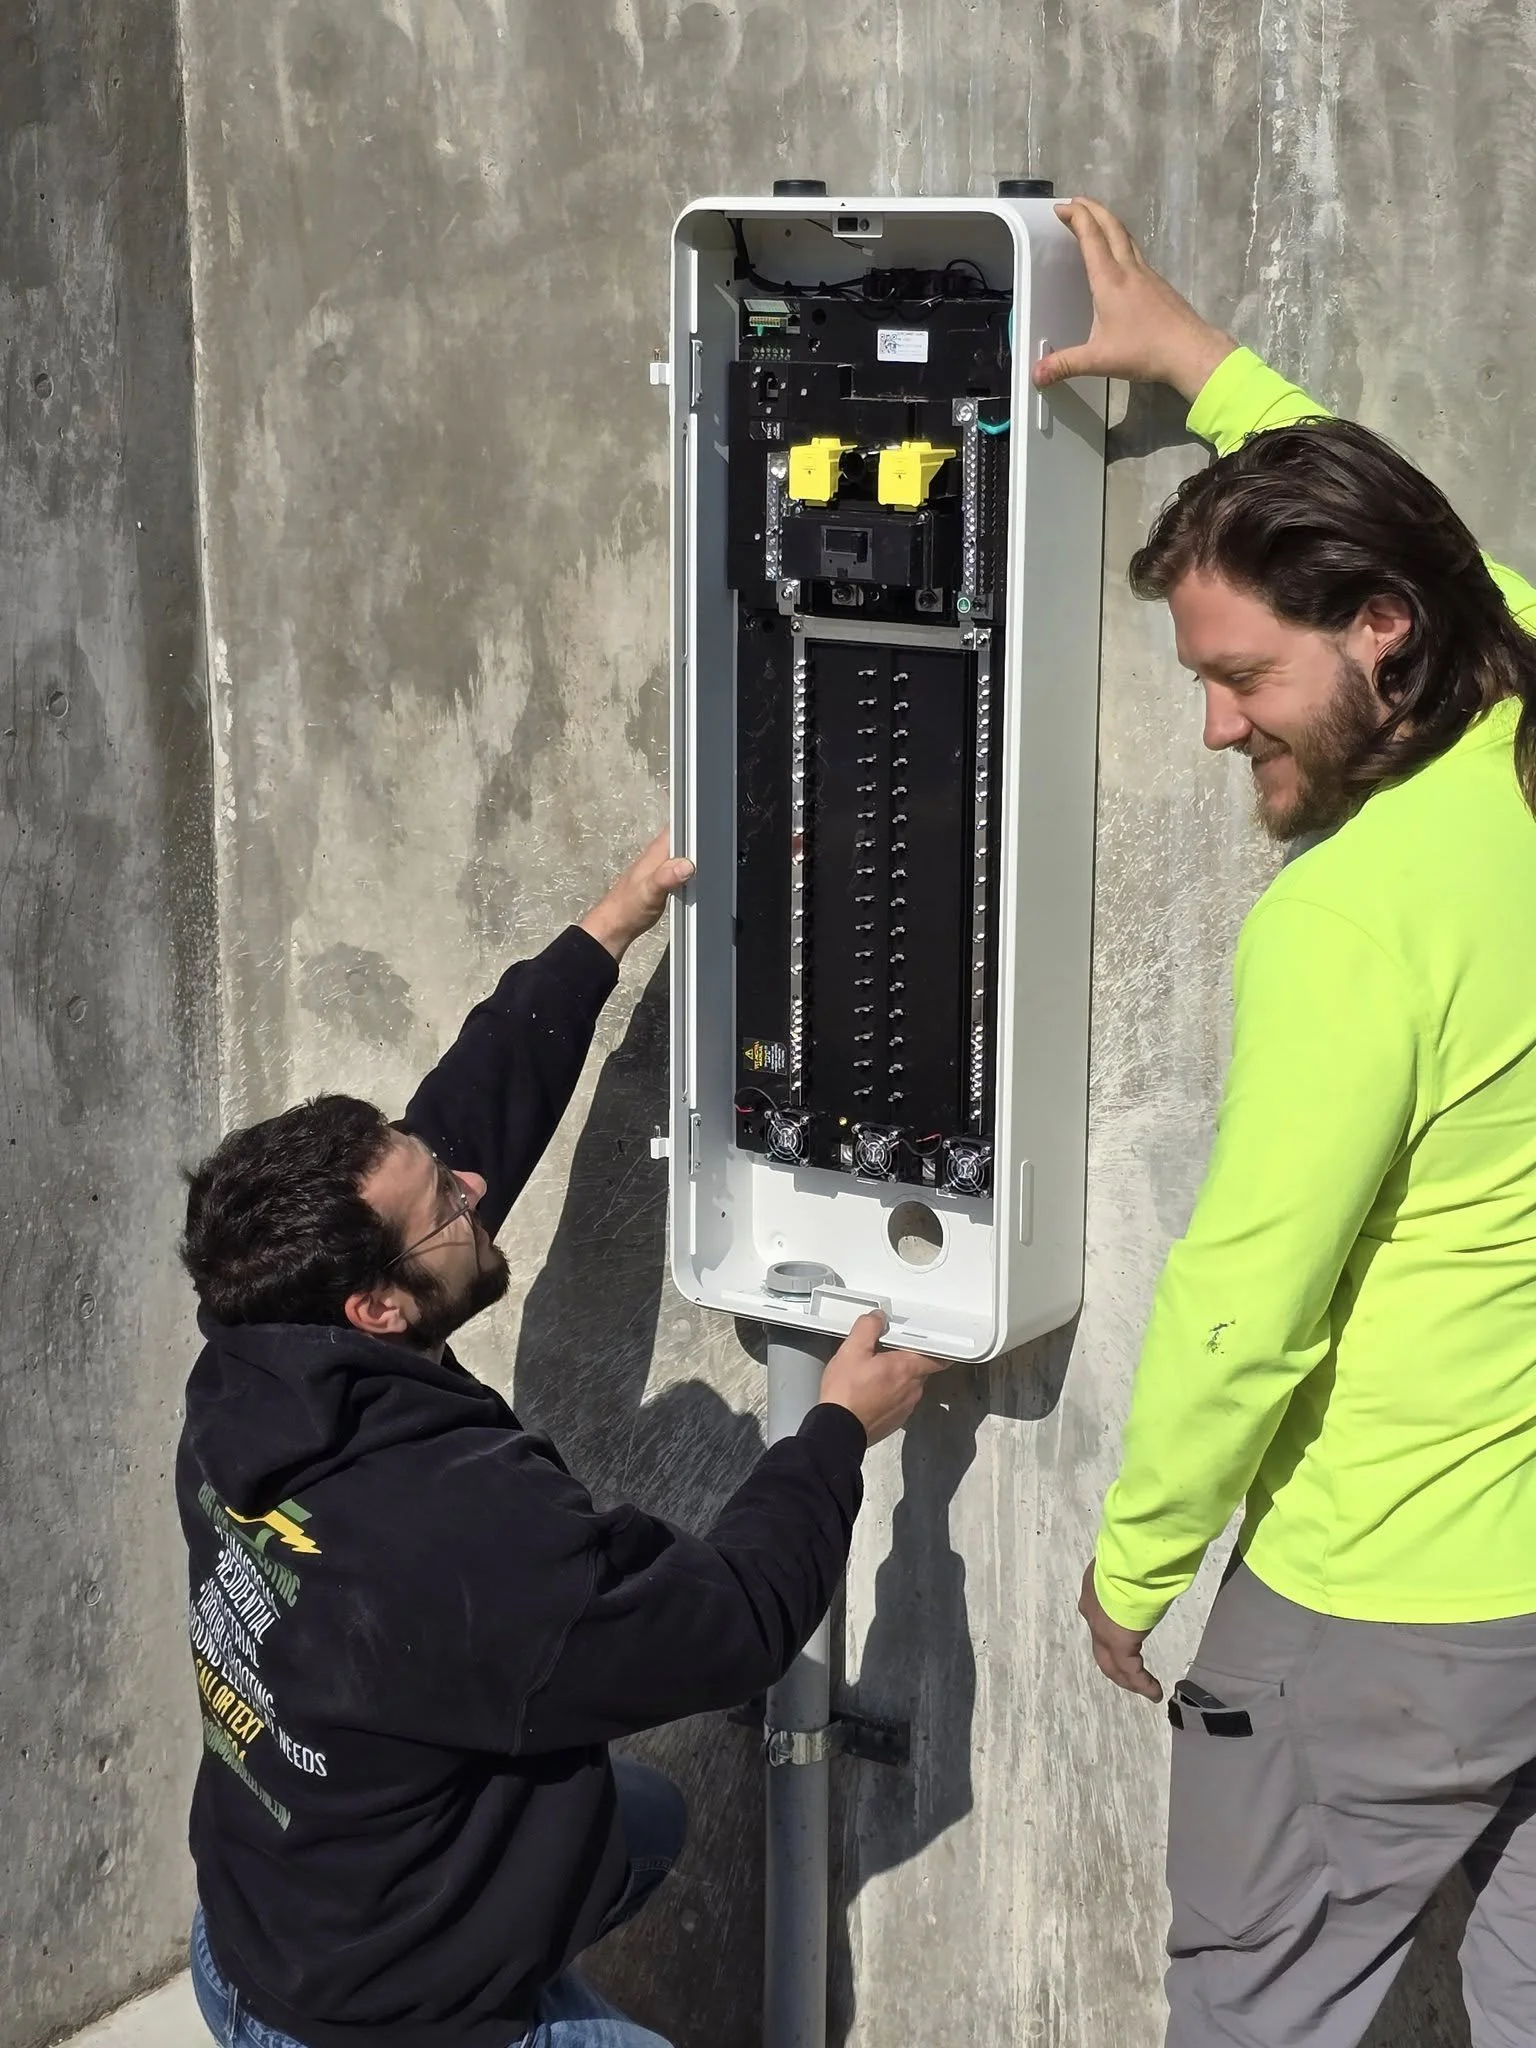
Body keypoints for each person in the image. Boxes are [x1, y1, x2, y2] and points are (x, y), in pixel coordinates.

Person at [175, 831, 944, 2048]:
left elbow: (456, 1129)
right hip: (370, 2017)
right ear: (375, 1307)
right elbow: (735, 1621)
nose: (473, 1189)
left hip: (266, 1922)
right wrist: (839, 1427)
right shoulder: (465, 1542)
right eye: (449, 1207)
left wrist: (611, 924)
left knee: (635, 1821)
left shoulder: (252, 1364)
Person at [1038, 197, 1536, 2048]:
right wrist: (1206, 373)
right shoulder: (1522, 698)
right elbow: (1455, 559)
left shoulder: (1349, 916)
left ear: (1379, 636)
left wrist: (1140, 1557)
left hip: (1382, 1601)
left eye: (1240, 676)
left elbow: (1252, 1293)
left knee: (1256, 2003)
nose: (1216, 727)